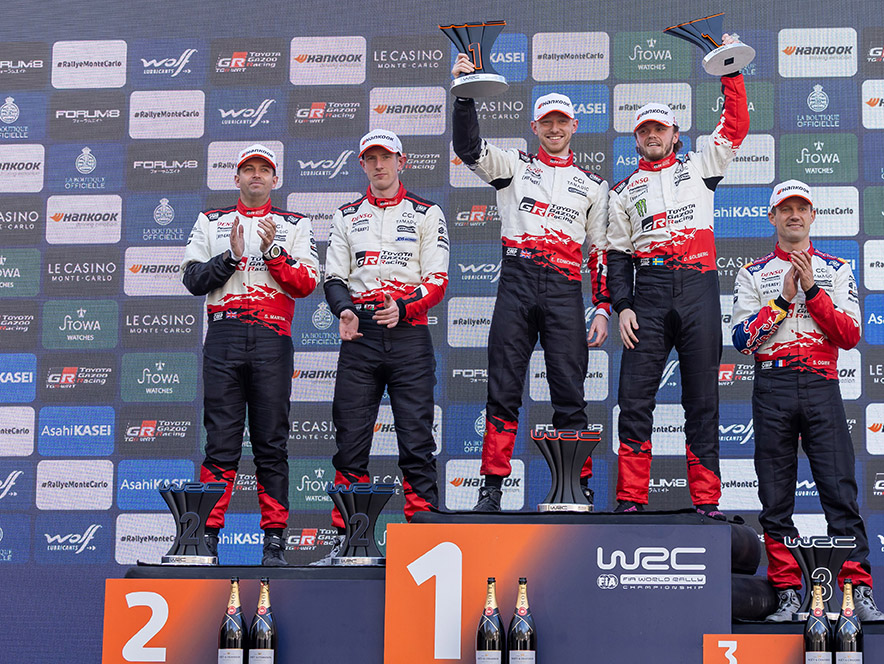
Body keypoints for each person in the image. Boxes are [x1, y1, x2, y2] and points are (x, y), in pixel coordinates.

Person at [451, 54, 610, 511]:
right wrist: (463, 95)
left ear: (574, 126)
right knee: (503, 389)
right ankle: (491, 488)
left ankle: (575, 488)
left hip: (564, 289)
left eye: (562, 122)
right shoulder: (513, 166)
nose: (554, 129)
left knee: (569, 393)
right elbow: (468, 148)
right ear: (535, 126)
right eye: (547, 122)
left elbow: (600, 251)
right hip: (517, 284)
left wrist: (602, 306)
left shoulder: (592, 184)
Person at [730, 180, 884, 622]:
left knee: (840, 492)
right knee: (775, 497)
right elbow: (742, 340)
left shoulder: (836, 270)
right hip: (773, 386)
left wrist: (814, 292)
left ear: (813, 215)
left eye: (801, 208)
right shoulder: (752, 273)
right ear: (772, 217)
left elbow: (850, 335)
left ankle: (857, 591)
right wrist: (782, 299)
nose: (794, 215)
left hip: (821, 384)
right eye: (786, 209)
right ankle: (786, 591)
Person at [607, 40, 747, 514]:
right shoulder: (623, 190)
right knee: (634, 400)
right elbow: (617, 255)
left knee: (703, 400)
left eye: (659, 128)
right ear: (636, 138)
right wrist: (621, 305)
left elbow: (735, 126)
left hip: (697, 290)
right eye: (644, 129)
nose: (652, 135)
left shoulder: (701, 166)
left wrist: (731, 71)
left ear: (674, 134)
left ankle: (706, 503)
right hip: (647, 294)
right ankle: (631, 500)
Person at [181, 143, 318, 566]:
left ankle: (274, 541)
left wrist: (274, 253)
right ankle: (207, 539)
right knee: (220, 444)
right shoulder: (211, 221)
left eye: (264, 169)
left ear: (275, 179)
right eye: (248, 169)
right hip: (223, 335)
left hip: (272, 337)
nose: (256, 175)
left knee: (270, 444)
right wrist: (231, 257)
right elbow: (192, 279)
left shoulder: (294, 224)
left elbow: (307, 283)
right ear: (236, 177)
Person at [322, 129, 449, 549]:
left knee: (416, 440)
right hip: (360, 334)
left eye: (386, 157)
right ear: (362, 164)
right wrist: (343, 310)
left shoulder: (427, 213)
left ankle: (423, 538)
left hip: (409, 335)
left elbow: (437, 279)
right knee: (350, 441)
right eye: (371, 159)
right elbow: (334, 277)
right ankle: (349, 541)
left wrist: (404, 307)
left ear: (401, 161)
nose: (379, 165)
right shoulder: (345, 215)